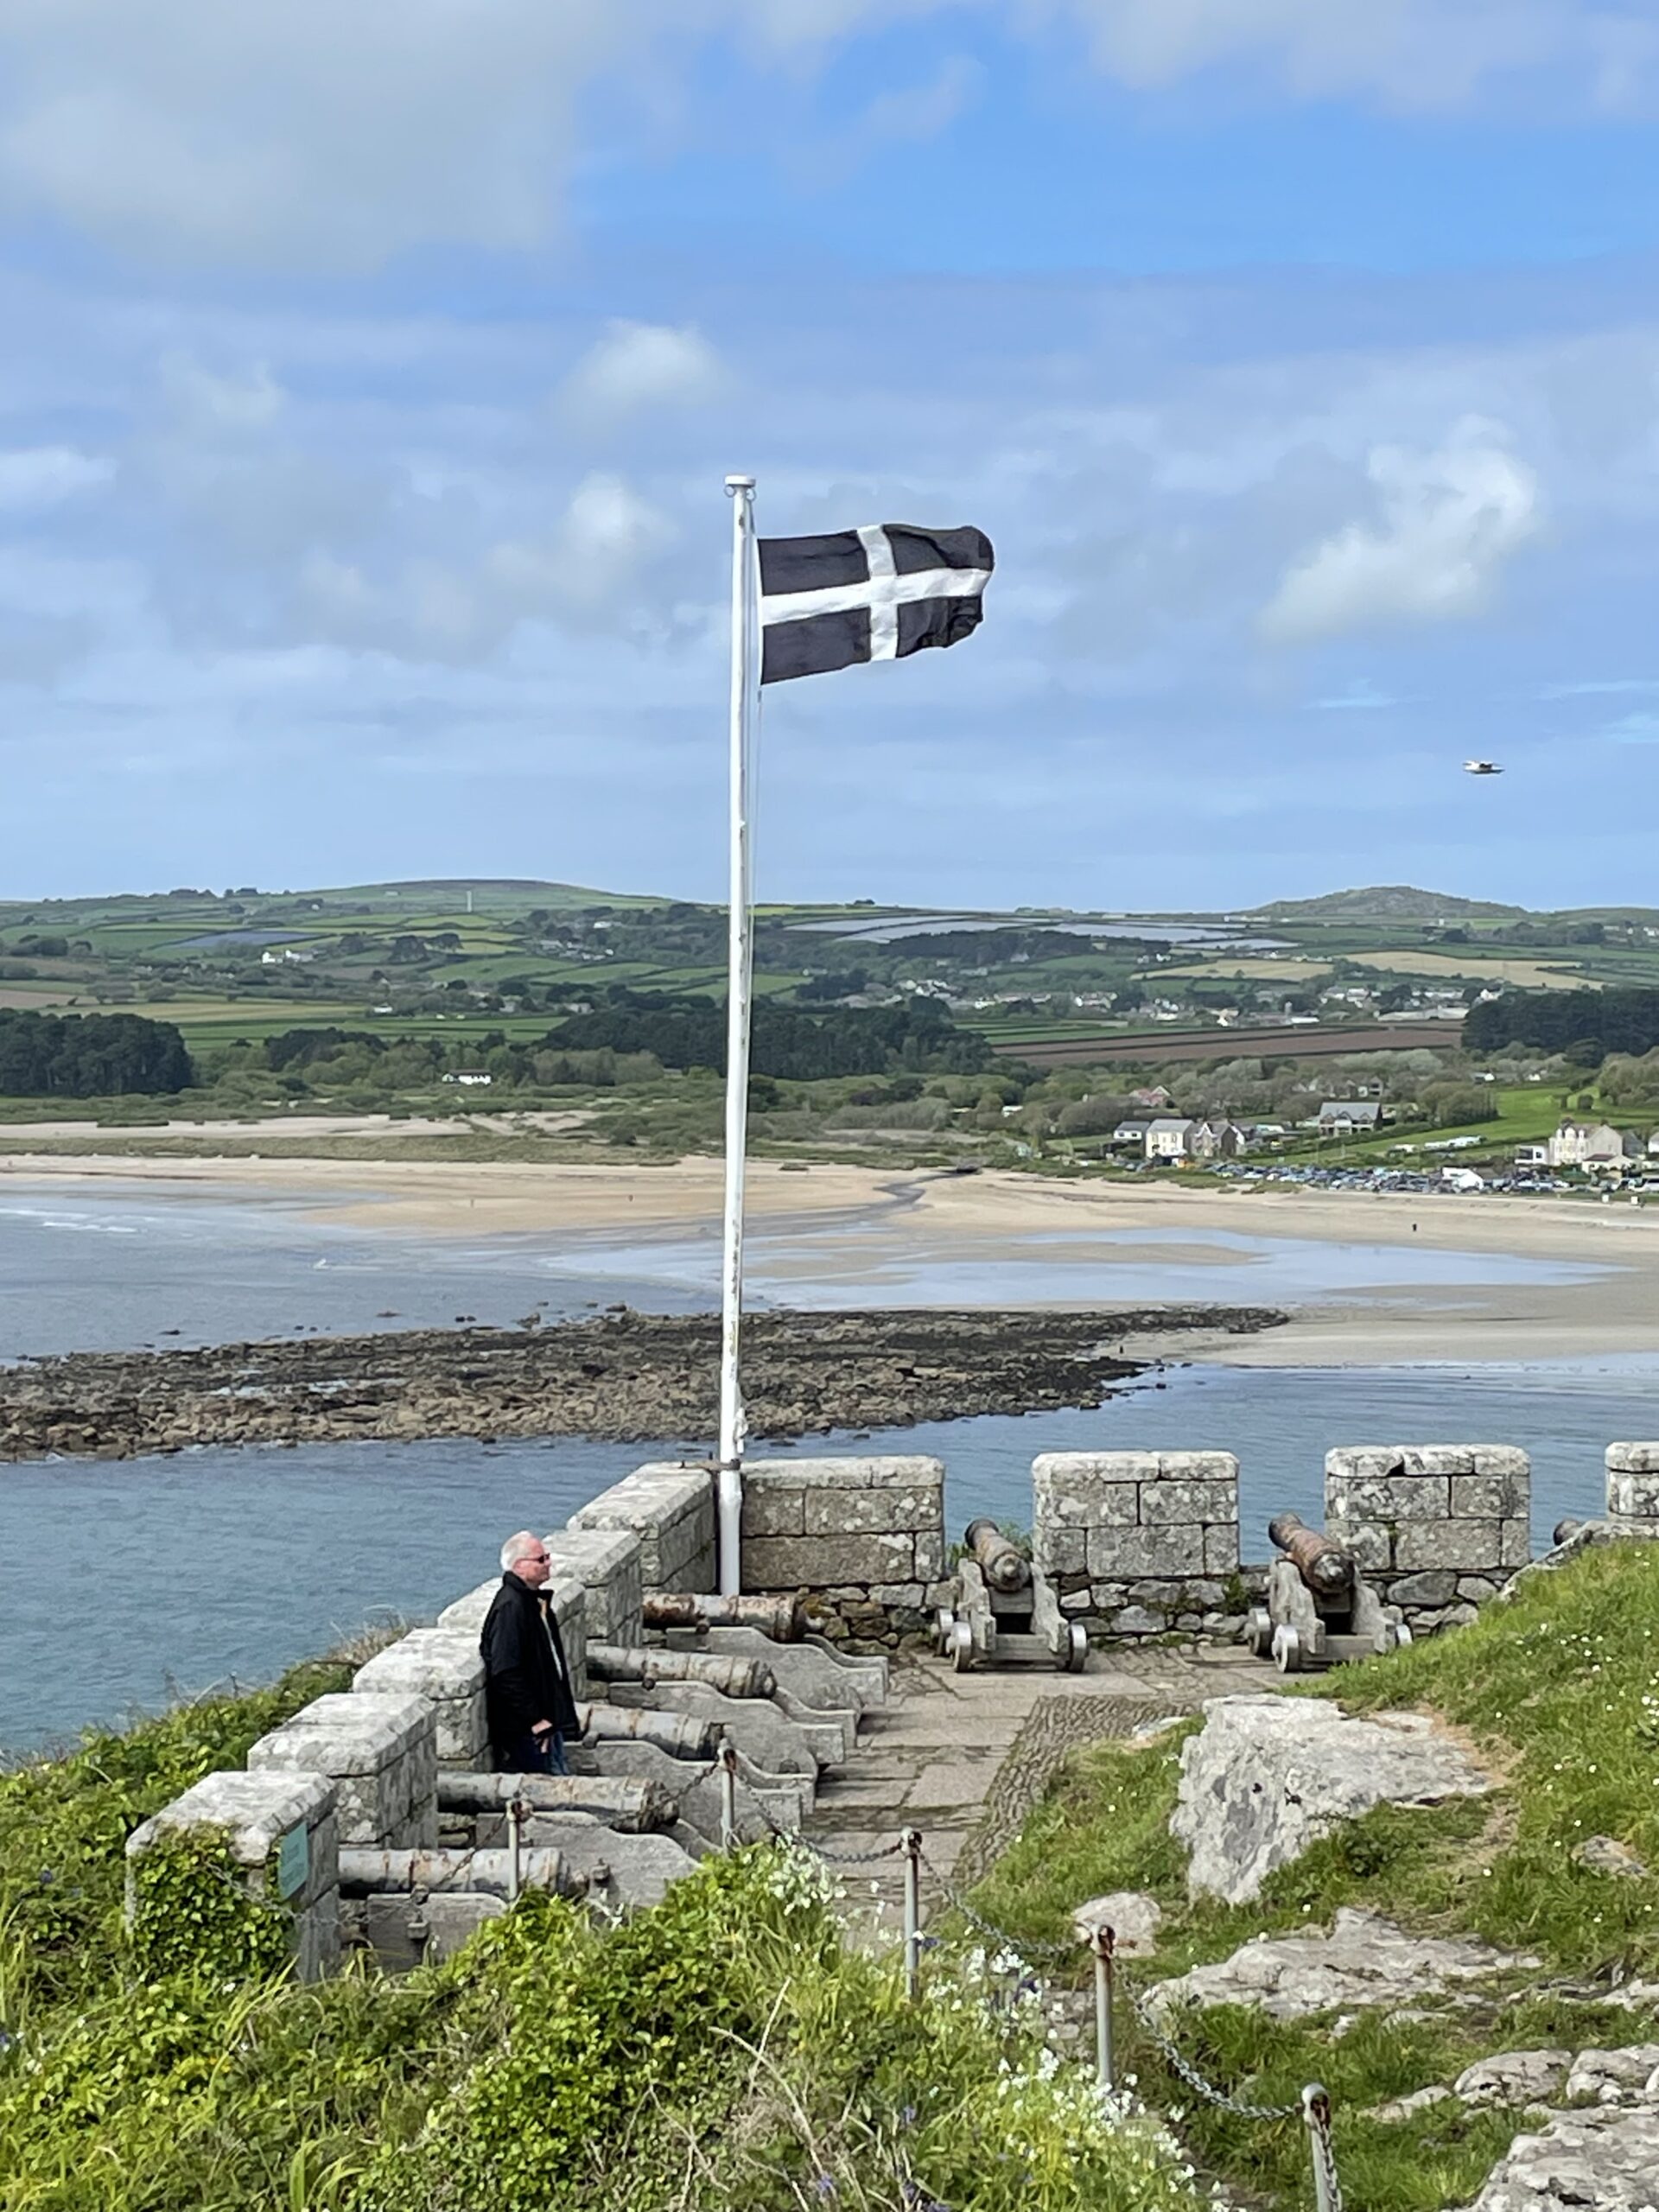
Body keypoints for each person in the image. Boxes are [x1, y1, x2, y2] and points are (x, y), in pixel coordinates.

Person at [480, 1530, 580, 1775]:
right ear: (520, 1566)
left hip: (546, 1722)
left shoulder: (533, 1603)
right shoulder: (511, 1609)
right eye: (541, 1559)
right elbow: (505, 1671)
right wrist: (535, 1720)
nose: (548, 1563)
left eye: (547, 1557)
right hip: (529, 1731)